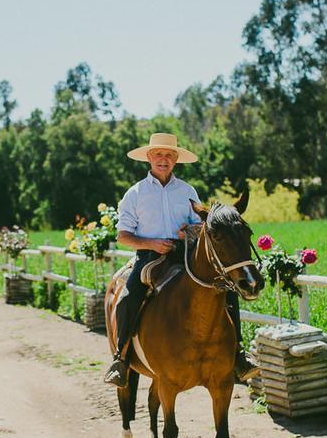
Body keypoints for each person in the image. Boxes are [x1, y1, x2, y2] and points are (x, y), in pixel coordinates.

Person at [103, 132, 260, 387]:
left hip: (186, 254)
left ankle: (238, 355)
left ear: (176, 159)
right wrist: (151, 243)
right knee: (128, 297)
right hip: (151, 256)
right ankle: (120, 359)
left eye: (168, 155)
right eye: (158, 155)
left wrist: (189, 231)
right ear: (149, 158)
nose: (163, 159)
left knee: (227, 289)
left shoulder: (187, 191)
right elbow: (123, 236)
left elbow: (203, 226)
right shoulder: (135, 194)